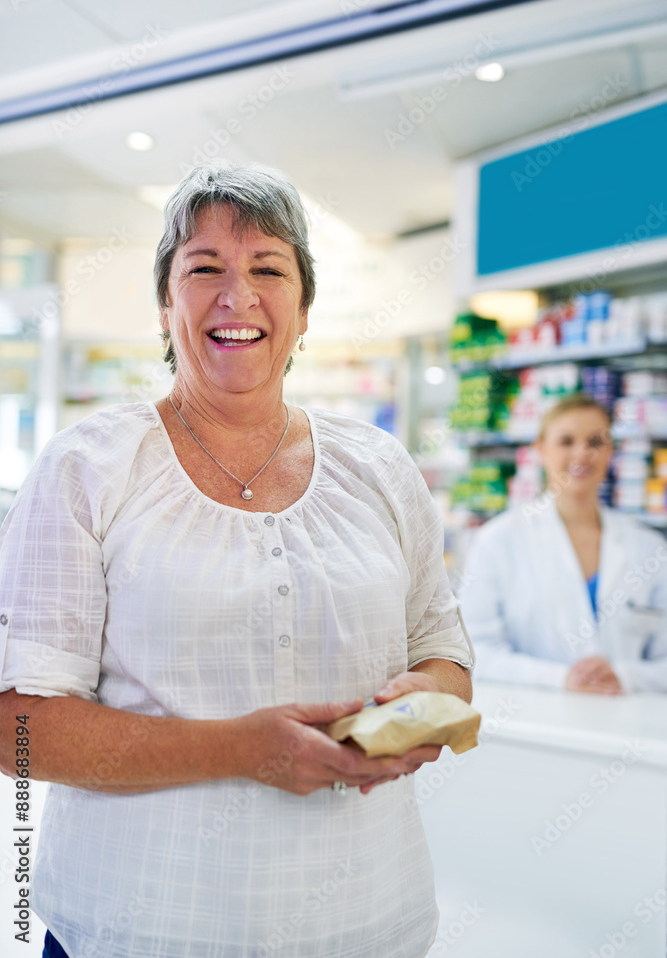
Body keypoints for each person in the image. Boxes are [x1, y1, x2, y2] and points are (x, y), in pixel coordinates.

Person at [0, 162, 474, 958]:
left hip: (366, 925)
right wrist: (240, 749)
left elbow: (446, 656)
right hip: (142, 930)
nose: (238, 296)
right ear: (164, 304)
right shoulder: (87, 468)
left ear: (304, 306)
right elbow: (18, 728)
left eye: (267, 269)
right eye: (204, 269)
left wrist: (415, 705)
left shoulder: (380, 466)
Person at [460, 393, 667, 694]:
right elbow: (474, 654)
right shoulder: (497, 541)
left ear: (611, 452)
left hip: (629, 727)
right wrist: (561, 678)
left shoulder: (648, 547)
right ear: (541, 450)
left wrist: (624, 676)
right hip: (537, 729)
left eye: (595, 442)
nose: (582, 454)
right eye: (566, 441)